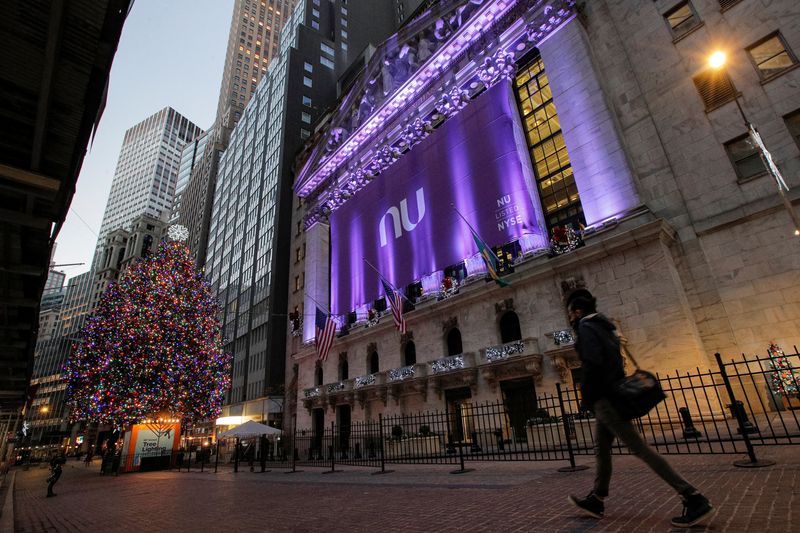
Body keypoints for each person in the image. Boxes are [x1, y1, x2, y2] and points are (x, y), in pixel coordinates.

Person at [565, 289, 714, 528]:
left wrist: (587, 394)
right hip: (610, 394)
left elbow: (592, 363)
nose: (570, 317)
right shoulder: (605, 326)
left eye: (571, 313)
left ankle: (693, 497)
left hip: (605, 398)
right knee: (601, 449)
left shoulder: (585, 327)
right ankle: (597, 498)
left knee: (641, 449)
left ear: (578, 311)